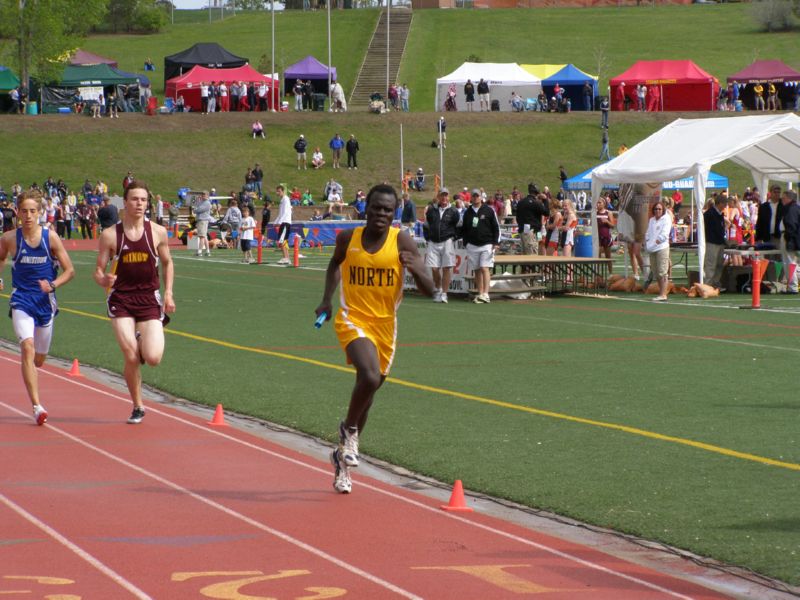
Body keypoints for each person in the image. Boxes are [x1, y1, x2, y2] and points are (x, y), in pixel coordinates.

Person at [315, 184, 434, 494]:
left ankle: (342, 460)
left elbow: (429, 288)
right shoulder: (347, 238)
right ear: (365, 208)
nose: (381, 214)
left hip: (385, 325)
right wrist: (327, 300)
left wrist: (416, 271)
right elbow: (334, 264)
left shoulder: (401, 240)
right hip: (351, 318)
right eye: (376, 208)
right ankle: (349, 430)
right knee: (367, 376)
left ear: (394, 213)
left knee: (368, 390)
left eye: (387, 210)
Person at [94, 181, 175, 424]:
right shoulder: (110, 235)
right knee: (131, 356)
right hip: (121, 299)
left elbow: (168, 263)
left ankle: (141, 339)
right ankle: (138, 405)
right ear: (125, 203)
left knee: (152, 358)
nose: (139, 204)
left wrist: (168, 293)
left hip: (149, 298)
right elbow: (98, 270)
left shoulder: (157, 232)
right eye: (134, 199)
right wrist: (103, 279)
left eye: (143, 200)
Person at [0, 191, 75, 425]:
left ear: (40, 212)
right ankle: (36, 406)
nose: (29, 216)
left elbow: (70, 271)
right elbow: (1, 259)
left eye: (33, 211)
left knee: (39, 359)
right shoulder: (10, 238)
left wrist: (52, 285)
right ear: (18, 212)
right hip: (21, 299)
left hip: (45, 304)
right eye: (24, 211)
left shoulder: (50, 238)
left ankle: (36, 379)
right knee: (27, 348)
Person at [461, 188, 500, 303]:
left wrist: (496, 242)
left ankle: (486, 294)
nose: (475, 197)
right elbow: (464, 229)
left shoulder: (489, 210)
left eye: (477, 196)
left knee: (484, 267)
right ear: (471, 197)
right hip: (472, 245)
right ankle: (480, 293)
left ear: (481, 197)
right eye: (474, 196)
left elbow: (496, 227)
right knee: (477, 270)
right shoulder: (467, 212)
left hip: (486, 244)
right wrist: (466, 243)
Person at [424, 188, 460, 304]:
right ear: (438, 197)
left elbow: (459, 226)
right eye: (442, 195)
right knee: (434, 268)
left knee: (446, 268)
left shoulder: (454, 211)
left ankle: (444, 294)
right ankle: (438, 289)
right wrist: (427, 237)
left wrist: (454, 237)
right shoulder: (431, 210)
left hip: (447, 241)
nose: (444, 198)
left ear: (448, 197)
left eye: (446, 195)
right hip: (433, 242)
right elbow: (426, 225)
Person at [644, 200, 672, 301]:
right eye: (656, 209)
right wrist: (647, 241)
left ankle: (663, 294)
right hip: (652, 248)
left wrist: (656, 241)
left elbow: (665, 234)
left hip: (661, 247)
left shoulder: (666, 219)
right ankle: (661, 293)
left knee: (662, 271)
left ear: (663, 210)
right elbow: (648, 232)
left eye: (659, 209)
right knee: (656, 272)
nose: (657, 211)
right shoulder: (651, 220)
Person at [515, 183, 547, 256]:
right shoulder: (536, 203)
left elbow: (518, 218)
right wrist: (545, 200)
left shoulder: (521, 202)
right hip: (534, 230)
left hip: (533, 230)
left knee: (536, 247)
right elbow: (546, 213)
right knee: (532, 252)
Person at [703, 195, 727, 290]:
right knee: (710, 265)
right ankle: (708, 285)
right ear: (719, 203)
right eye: (724, 203)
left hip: (720, 242)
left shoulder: (720, 214)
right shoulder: (709, 214)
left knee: (719, 264)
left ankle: (715, 283)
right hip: (712, 242)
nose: (725, 205)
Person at [779, 190, 799, 294]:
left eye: (784, 197)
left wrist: (788, 237)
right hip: (791, 238)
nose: (782, 199)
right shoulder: (795, 208)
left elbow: (791, 225)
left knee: (790, 263)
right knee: (792, 263)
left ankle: (793, 287)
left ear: (789, 198)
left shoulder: (791, 209)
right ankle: (792, 286)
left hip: (789, 238)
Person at [756, 184, 784, 248]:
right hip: (767, 236)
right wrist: (758, 238)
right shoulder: (764, 206)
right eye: (775, 192)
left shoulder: (783, 205)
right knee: (767, 256)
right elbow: (759, 222)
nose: (777, 194)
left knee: (778, 256)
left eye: (778, 192)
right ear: (770, 192)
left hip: (778, 236)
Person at [274, 185, 292, 265]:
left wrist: (280, 222)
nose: (277, 193)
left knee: (282, 241)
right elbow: (280, 213)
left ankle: (286, 258)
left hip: (285, 222)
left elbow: (285, 212)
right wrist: (275, 222)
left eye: (279, 191)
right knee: (283, 241)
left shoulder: (286, 199)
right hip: (282, 222)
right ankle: (287, 258)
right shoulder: (282, 200)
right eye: (277, 191)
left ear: (283, 191)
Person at [193, 190, 212, 257]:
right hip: (201, 220)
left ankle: (199, 251)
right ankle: (207, 251)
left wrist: (195, 209)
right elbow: (196, 207)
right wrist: (197, 203)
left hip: (203, 220)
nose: (203, 195)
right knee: (204, 236)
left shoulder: (207, 203)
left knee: (201, 236)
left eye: (205, 194)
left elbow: (198, 210)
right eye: (202, 194)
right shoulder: (202, 202)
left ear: (207, 195)